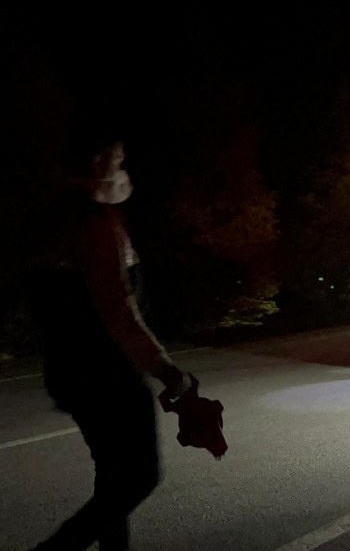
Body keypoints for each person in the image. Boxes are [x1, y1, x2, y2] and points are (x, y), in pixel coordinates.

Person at [29, 137, 192, 551]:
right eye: (118, 162)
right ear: (98, 165)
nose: (123, 174)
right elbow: (117, 309)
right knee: (139, 477)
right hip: (107, 375)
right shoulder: (94, 226)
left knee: (113, 477)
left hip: (72, 373)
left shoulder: (55, 223)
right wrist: (165, 368)